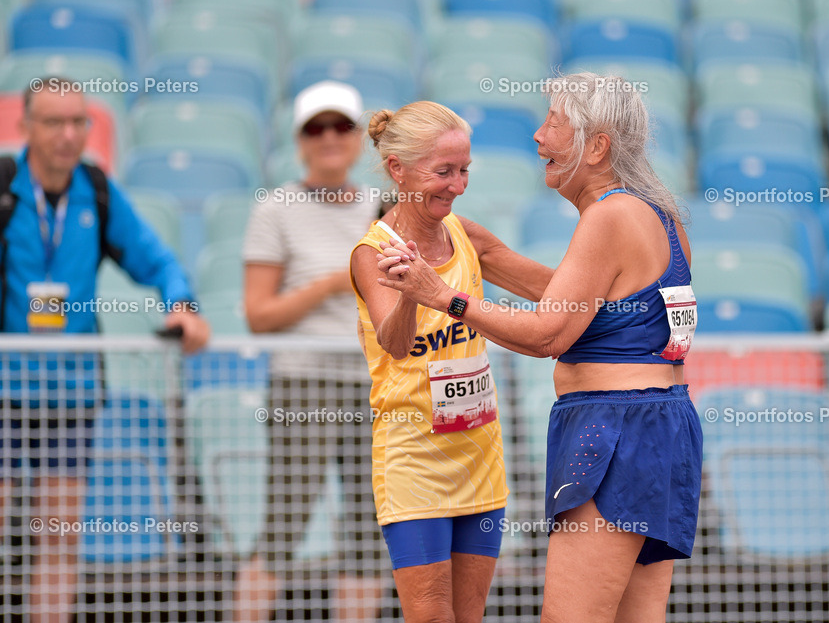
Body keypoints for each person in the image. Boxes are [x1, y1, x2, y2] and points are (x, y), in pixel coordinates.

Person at [377, 72, 703, 623]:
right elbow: (583, 299)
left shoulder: (608, 216)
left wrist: (443, 296)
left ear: (596, 147)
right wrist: (482, 251)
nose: (538, 135)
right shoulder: (658, 214)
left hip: (613, 427)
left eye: (553, 122)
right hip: (663, 425)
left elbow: (547, 334)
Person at [0, 78, 210, 623]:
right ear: (26, 126)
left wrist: (182, 304)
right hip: (4, 386)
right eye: (54, 122)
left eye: (79, 121)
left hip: (71, 392)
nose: (69, 134)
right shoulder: (4, 187)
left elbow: (156, 259)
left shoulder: (96, 190)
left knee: (59, 538)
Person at [349, 101, 553, 623]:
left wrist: (618, 259)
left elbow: (552, 290)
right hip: (414, 459)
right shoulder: (373, 253)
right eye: (443, 172)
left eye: (464, 170)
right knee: (432, 617)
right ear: (398, 169)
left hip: (479, 456)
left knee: (470, 615)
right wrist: (414, 293)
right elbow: (395, 344)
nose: (458, 186)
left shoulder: (467, 235)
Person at [235, 81, 383, 622]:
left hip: (376, 382)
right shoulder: (275, 209)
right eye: (316, 128)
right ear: (300, 141)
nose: (329, 138)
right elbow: (258, 315)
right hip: (304, 381)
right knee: (284, 524)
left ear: (358, 138)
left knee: (370, 531)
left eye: (341, 126)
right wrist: (331, 284)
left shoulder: (385, 206)